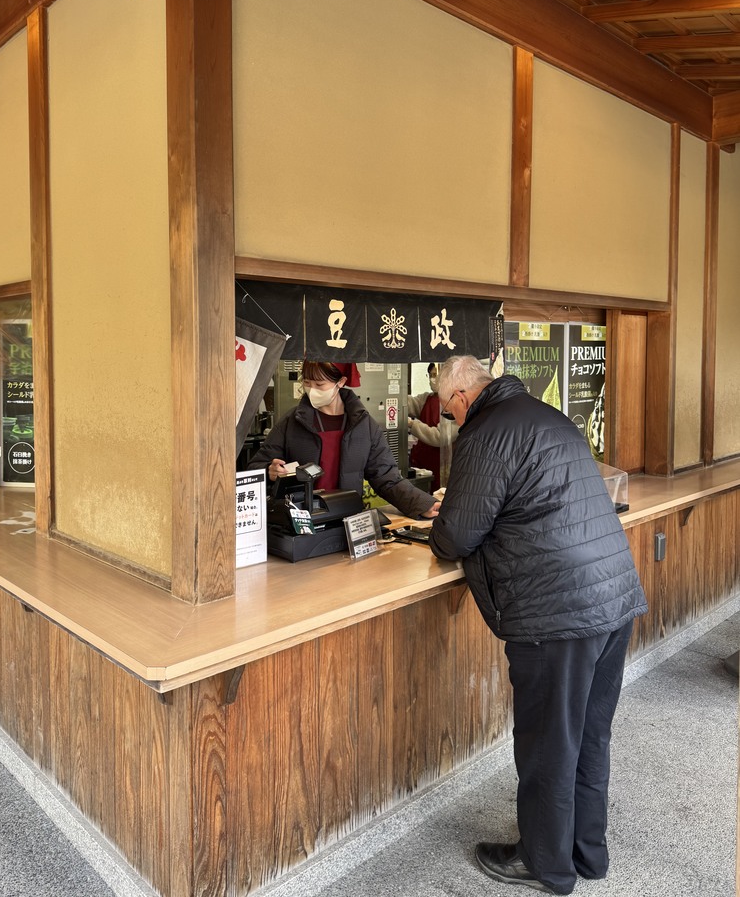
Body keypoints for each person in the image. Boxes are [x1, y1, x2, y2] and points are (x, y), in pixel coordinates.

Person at [428, 356, 647, 896]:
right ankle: (586, 852)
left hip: (557, 611)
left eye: (449, 410)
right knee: (588, 734)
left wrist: (440, 522)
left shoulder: (486, 432)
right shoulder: (546, 415)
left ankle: (545, 864)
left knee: (549, 741)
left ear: (461, 397)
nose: (452, 419)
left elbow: (456, 536)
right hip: (611, 598)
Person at [249, 360, 440, 520]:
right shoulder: (292, 421)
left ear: (340, 382)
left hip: (348, 520)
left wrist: (422, 504)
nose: (312, 390)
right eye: (307, 383)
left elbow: (387, 477)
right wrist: (269, 471)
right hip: (301, 520)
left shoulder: (363, 425)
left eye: (319, 385)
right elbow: (254, 468)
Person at [407, 362, 457, 492]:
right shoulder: (427, 398)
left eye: (436, 375)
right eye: (431, 375)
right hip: (422, 464)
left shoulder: (455, 402)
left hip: (443, 466)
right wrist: (394, 391)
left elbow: (441, 437)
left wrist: (412, 424)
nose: (433, 379)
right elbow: (408, 403)